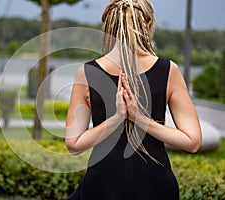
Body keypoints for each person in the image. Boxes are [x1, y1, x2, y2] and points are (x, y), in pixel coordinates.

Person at [65, 0, 202, 199]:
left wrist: (118, 118)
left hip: (102, 186)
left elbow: (74, 144)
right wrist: (138, 118)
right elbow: (192, 142)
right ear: (147, 25)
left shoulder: (87, 72)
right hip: (156, 186)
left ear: (108, 28)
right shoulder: (168, 70)